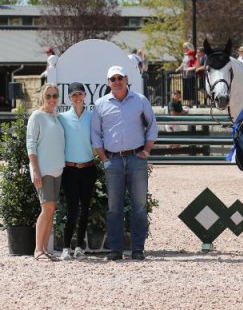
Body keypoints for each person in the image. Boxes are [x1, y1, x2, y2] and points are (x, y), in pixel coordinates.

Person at [91, 66, 158, 261]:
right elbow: (95, 134)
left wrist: (146, 150)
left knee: (139, 206)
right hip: (113, 160)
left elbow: (152, 126)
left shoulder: (140, 100)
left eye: (120, 77)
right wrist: (104, 158)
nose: (117, 81)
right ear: (108, 82)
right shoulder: (101, 105)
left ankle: (138, 249)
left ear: (126, 79)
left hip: (136, 159)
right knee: (114, 208)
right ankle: (116, 250)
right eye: (113, 79)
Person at [58, 82, 97, 261]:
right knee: (72, 209)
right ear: (69, 98)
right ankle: (66, 247)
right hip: (70, 170)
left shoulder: (92, 116)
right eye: (74, 95)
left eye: (80, 94)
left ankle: (80, 247)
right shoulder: (62, 118)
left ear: (85, 96)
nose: (77, 98)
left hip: (88, 169)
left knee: (85, 210)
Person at [26, 83, 65, 261]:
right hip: (44, 170)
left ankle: (45, 249)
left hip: (57, 170)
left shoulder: (55, 117)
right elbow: (31, 144)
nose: (51, 99)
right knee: (46, 208)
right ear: (43, 97)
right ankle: (37, 250)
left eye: (54, 96)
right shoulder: (37, 116)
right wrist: (35, 170)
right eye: (48, 96)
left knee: (51, 209)